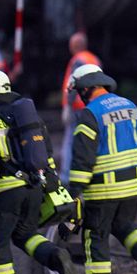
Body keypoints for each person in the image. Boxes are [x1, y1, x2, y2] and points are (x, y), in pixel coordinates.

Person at [0, 68, 80, 274]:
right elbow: (46, 154)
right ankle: (55, 255)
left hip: (6, 192)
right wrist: (51, 183)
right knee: (24, 234)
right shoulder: (27, 116)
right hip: (34, 187)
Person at [67, 63, 137, 274]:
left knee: (95, 235)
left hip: (102, 190)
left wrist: (74, 191)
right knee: (125, 226)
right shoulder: (130, 106)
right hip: (131, 185)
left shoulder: (89, 114)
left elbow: (83, 158)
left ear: (85, 89)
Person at [59, 30, 101, 179]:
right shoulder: (94, 59)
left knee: (70, 142)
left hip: (78, 108)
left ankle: (66, 177)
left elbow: (73, 84)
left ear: (74, 46)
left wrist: (67, 107)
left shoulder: (77, 60)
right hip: (93, 106)